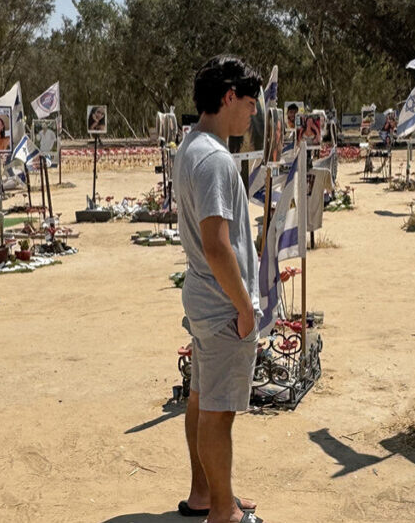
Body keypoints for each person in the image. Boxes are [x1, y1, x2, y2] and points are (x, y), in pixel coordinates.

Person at [173, 55, 263, 523]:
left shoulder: (191, 147)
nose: (252, 114)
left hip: (205, 300)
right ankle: (222, 512)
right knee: (219, 411)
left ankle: (206, 493)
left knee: (202, 399)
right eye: (249, 104)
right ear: (229, 97)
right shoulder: (214, 159)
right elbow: (216, 245)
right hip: (222, 305)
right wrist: (245, 308)